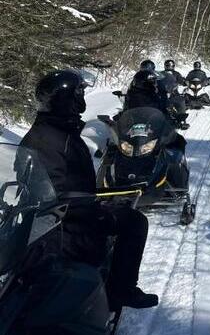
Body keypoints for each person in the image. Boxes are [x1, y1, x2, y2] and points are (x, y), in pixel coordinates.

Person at [20, 70, 158, 309]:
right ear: (67, 99)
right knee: (135, 222)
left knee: (124, 208)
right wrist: (94, 207)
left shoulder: (56, 130)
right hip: (64, 224)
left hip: (70, 211)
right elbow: (52, 192)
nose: (82, 98)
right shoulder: (50, 139)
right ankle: (121, 291)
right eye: (79, 93)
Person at [161, 60, 189, 130]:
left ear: (173, 66)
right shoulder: (161, 73)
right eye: (168, 65)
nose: (169, 67)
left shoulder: (176, 74)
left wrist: (184, 82)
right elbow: (155, 80)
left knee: (181, 101)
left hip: (173, 92)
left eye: (171, 66)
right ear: (165, 66)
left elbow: (181, 80)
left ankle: (182, 119)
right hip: (162, 92)